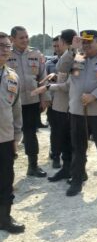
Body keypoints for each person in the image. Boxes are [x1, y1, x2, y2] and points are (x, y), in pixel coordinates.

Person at [57, 30, 97, 197]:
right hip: (77, 112)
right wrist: (71, 50)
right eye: (83, 42)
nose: (86, 45)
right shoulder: (75, 57)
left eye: (89, 42)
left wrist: (94, 95)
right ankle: (77, 181)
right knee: (78, 148)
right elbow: (61, 69)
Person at [31, 29, 77, 183]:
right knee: (62, 138)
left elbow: (69, 85)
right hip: (60, 106)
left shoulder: (77, 56)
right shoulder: (67, 56)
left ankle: (76, 172)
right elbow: (62, 70)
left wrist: (50, 87)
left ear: (63, 42)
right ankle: (66, 169)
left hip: (71, 107)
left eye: (60, 43)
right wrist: (55, 77)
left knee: (72, 140)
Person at [7, 26, 50, 177]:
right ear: (12, 40)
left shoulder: (36, 54)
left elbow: (43, 77)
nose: (25, 40)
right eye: (21, 38)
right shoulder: (6, 54)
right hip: (10, 104)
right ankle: (7, 167)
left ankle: (33, 166)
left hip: (31, 101)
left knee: (31, 133)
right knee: (8, 135)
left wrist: (44, 98)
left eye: (26, 37)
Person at [0, 32, 25, 234]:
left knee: (6, 181)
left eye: (7, 46)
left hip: (5, 138)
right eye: (1, 46)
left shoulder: (12, 77)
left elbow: (16, 110)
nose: (4, 50)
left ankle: (4, 218)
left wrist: (16, 137)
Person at [45, 36, 62, 168]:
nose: (56, 49)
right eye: (54, 46)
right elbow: (45, 82)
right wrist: (47, 98)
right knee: (55, 130)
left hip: (69, 103)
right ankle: (55, 155)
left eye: (58, 45)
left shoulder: (76, 62)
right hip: (53, 103)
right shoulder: (50, 64)